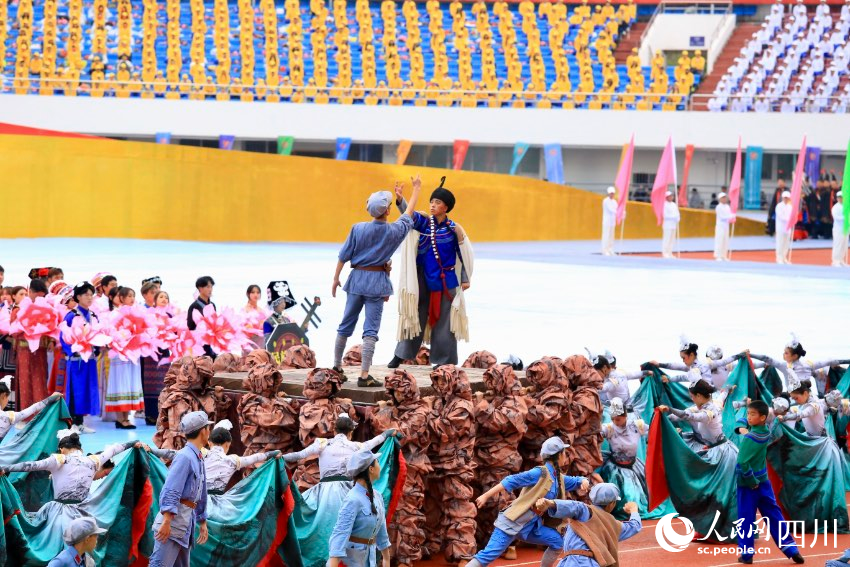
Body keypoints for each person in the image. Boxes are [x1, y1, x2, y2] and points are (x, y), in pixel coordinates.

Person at [332, 178, 422, 387]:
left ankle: (336, 367)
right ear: (388, 210)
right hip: (376, 284)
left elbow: (343, 256)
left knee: (345, 324)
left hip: (356, 280)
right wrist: (416, 189)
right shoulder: (394, 231)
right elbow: (409, 213)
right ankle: (364, 375)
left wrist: (336, 278)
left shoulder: (357, 228)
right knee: (370, 330)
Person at [388, 176, 472, 368]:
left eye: (438, 202)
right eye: (432, 201)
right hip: (422, 278)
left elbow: (463, 256)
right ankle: (401, 355)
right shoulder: (425, 223)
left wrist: (465, 278)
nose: (433, 205)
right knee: (414, 316)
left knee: (445, 322)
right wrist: (401, 200)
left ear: (446, 207)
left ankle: (444, 361)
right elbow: (409, 216)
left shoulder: (454, 230)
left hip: (446, 280)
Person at [468, 437, 589, 567]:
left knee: (558, 542)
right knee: (488, 555)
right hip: (512, 522)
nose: (566, 455)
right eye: (564, 452)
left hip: (531, 527)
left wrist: (583, 481)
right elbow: (511, 480)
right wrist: (485, 496)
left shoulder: (557, 477)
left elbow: (575, 481)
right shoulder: (540, 473)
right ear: (558, 455)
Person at [368, 369, 432, 567]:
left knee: (408, 515)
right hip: (389, 470)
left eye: (399, 391)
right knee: (389, 512)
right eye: (393, 391)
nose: (396, 395)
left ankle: (407, 558)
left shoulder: (420, 412)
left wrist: (377, 416)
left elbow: (400, 434)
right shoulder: (392, 410)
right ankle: (389, 555)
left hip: (411, 469)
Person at [733, 400, 804, 565]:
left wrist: (750, 480)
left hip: (749, 484)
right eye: (748, 414)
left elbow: (742, 461)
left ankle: (747, 554)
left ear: (763, 417)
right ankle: (792, 549)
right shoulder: (765, 431)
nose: (749, 417)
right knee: (774, 515)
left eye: (752, 414)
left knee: (745, 519)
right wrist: (744, 421)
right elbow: (745, 427)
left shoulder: (750, 437)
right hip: (764, 482)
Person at [150, 411, 211, 567]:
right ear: (203, 431)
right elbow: (171, 489)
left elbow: (201, 492)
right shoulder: (185, 457)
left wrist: (202, 520)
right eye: (208, 428)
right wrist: (166, 521)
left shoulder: (197, 457)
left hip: (184, 525)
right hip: (172, 526)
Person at [535, 483, 641, 567]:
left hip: (570, 563)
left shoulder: (586, 511)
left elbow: (573, 506)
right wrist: (634, 510)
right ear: (611, 504)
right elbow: (634, 526)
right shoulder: (614, 525)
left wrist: (551, 503)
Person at [327, 448, 392, 567]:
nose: (379, 465)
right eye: (377, 462)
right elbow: (340, 533)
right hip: (352, 562)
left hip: (370, 560)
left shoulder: (377, 496)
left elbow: (382, 532)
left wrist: (386, 559)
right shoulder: (353, 499)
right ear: (371, 469)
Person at [598, 398, 650, 518]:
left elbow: (655, 429)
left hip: (634, 465)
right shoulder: (609, 428)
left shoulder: (637, 425)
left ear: (625, 415)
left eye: (618, 419)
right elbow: (594, 434)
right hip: (615, 468)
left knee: (640, 501)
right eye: (613, 419)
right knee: (627, 496)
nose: (615, 422)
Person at [60, 283, 101, 433]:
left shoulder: (93, 316)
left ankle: (80, 422)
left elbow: (99, 334)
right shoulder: (72, 315)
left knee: (87, 389)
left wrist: (97, 348)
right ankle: (72, 424)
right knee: (75, 389)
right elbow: (63, 336)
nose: (89, 298)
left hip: (89, 359)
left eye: (91, 295)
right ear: (78, 297)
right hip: (76, 360)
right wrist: (72, 351)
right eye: (86, 295)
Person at [749, 335, 849, 396]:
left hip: (795, 398)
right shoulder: (809, 364)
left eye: (786, 353)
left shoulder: (785, 366)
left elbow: (766, 358)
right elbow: (830, 361)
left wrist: (749, 355)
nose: (783, 354)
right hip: (806, 397)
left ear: (795, 356)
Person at [13, 278, 50, 412]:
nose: (40, 299)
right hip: (24, 350)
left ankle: (41, 414)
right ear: (31, 292)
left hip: (40, 350)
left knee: (40, 381)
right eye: (38, 295)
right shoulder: (19, 310)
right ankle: (26, 414)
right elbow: (13, 331)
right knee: (25, 381)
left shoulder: (48, 309)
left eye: (42, 296)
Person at [0, 376, 62, 440]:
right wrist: (51, 399)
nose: (7, 400)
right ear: (4, 396)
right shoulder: (8, 417)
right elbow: (32, 409)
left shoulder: (8, 416)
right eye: (7, 397)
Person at [187, 276, 216, 358]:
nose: (210, 289)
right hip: (199, 346)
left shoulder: (212, 305)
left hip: (211, 343)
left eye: (211, 287)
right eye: (208, 287)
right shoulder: (194, 306)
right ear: (200, 288)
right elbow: (190, 327)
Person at [713, 192, 736, 261]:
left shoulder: (727, 207)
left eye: (725, 197)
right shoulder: (718, 207)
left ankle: (724, 255)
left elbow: (729, 215)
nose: (724, 199)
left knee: (725, 241)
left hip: (726, 226)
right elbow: (722, 217)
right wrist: (731, 216)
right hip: (720, 226)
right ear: (720, 199)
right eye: (723, 198)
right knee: (719, 240)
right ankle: (718, 256)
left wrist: (732, 216)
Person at [775, 190, 793, 264]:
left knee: (786, 244)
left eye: (787, 198)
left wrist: (792, 220)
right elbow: (781, 216)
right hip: (780, 228)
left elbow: (791, 216)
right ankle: (779, 258)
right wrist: (789, 219)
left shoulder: (790, 207)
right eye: (785, 197)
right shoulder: (779, 206)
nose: (786, 199)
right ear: (782, 198)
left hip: (788, 228)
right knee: (780, 243)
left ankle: (784, 257)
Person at [661, 191, 679, 259]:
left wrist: (678, 218)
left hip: (673, 225)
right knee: (667, 239)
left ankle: (670, 252)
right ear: (667, 197)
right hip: (667, 225)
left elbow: (677, 213)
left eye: (672, 196)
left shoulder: (674, 204)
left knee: (672, 240)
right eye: (670, 196)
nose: (671, 197)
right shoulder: (664, 205)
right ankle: (665, 253)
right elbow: (665, 215)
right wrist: (673, 217)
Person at [832, 191, 848, 266]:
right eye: (839, 197)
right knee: (838, 244)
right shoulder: (835, 207)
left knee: (844, 245)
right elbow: (836, 217)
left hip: (845, 229)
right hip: (838, 229)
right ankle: (835, 261)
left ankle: (841, 260)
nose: (841, 199)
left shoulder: (846, 206)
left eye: (842, 197)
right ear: (837, 198)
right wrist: (845, 217)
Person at [600, 186, 617, 256]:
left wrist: (622, 213)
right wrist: (618, 212)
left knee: (611, 236)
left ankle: (610, 249)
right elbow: (611, 210)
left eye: (613, 193)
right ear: (608, 193)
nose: (612, 194)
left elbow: (617, 209)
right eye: (611, 193)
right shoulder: (605, 201)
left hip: (612, 222)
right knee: (606, 236)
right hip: (606, 221)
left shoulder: (615, 202)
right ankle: (604, 250)